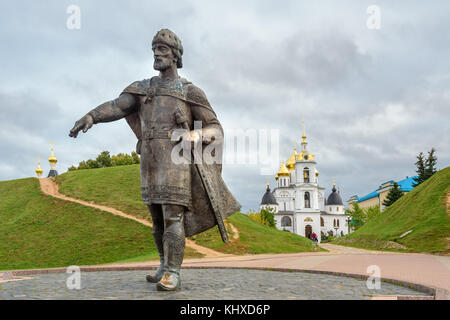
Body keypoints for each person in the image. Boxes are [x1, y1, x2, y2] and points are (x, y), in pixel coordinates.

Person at [69, 29, 240, 291]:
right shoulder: (144, 88)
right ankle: (163, 264)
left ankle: (173, 272)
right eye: (154, 50)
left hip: (176, 159)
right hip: (150, 159)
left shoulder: (190, 91)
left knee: (173, 217)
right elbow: (118, 106)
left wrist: (196, 134)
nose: (156, 54)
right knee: (157, 219)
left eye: (162, 50)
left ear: (175, 56)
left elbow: (216, 129)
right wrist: (92, 115)